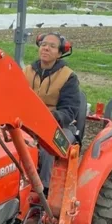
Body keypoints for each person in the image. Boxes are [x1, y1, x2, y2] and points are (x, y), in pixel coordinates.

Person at [23, 32, 81, 193]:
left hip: (58, 125)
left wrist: (46, 119)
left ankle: (44, 190)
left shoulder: (68, 77)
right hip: (26, 122)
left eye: (52, 46)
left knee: (49, 147)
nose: (46, 48)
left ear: (60, 53)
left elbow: (69, 111)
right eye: (43, 45)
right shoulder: (26, 71)